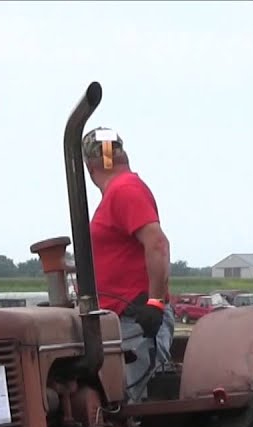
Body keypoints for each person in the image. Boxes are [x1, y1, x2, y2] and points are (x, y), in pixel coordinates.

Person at [82, 126, 174, 402]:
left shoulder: (125, 190)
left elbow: (157, 244)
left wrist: (155, 304)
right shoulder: (117, 193)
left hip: (135, 323)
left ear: (88, 166)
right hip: (115, 323)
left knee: (129, 412)